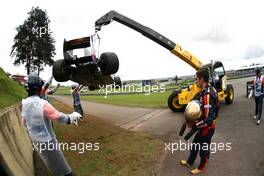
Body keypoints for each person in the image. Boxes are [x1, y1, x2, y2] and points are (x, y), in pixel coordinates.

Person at [21, 73, 82, 176]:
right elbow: (58, 117)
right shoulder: (42, 103)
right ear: (39, 87)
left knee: (51, 164)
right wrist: (72, 117)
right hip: (47, 140)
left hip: (36, 140)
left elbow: (24, 122)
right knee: (64, 171)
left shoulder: (25, 103)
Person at [180, 68, 218, 175]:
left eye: (196, 79)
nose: (195, 81)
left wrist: (195, 125)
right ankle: (189, 162)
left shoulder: (207, 94)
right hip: (203, 125)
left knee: (204, 149)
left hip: (208, 127)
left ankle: (201, 167)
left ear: (202, 79)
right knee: (195, 144)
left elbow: (208, 119)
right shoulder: (206, 90)